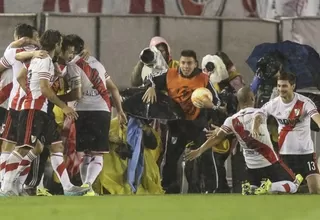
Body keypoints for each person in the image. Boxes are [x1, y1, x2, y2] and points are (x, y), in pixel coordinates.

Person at [0, 29, 90, 196]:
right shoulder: (45, 59)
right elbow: (44, 88)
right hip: (33, 109)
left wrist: (28, 91)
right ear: (57, 44)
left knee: (56, 146)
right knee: (23, 148)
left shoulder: (38, 57)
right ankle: (5, 187)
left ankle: (68, 187)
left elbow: (20, 76)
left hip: (40, 109)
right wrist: (62, 105)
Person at [186, 86, 303, 195]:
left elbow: (217, 137)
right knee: (294, 183)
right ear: (253, 98)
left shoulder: (231, 120)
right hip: (270, 162)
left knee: (258, 187)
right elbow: (258, 117)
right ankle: (269, 186)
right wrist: (255, 126)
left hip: (251, 167)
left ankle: (251, 187)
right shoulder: (259, 111)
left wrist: (200, 150)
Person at [142, 49, 221, 193]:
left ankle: (211, 189)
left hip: (197, 124)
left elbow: (217, 101)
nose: (186, 66)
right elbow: (150, 79)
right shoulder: (170, 74)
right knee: (171, 158)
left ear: (195, 63)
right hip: (177, 124)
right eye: (183, 62)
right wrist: (151, 87)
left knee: (205, 156)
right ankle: (168, 188)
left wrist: (212, 106)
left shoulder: (204, 79)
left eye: (189, 63)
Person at [64, 34, 127, 196]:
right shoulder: (97, 63)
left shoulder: (71, 65)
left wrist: (58, 100)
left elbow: (76, 93)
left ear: (71, 50)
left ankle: (87, 186)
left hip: (82, 110)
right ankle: (88, 186)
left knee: (86, 152)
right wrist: (120, 111)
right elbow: (113, 88)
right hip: (102, 109)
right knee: (96, 152)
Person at [252, 71, 320, 194]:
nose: (280, 89)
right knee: (284, 192)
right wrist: (255, 126)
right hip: (285, 155)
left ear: (293, 86)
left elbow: (316, 116)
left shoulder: (304, 103)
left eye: (284, 86)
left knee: (315, 190)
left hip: (306, 153)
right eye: (279, 86)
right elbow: (259, 113)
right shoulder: (274, 103)